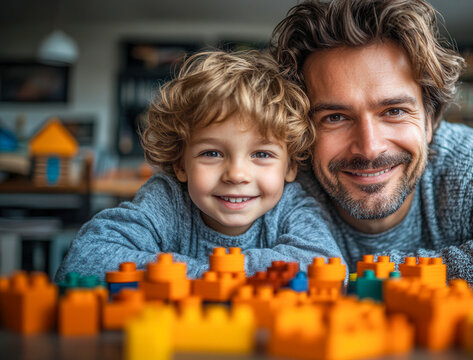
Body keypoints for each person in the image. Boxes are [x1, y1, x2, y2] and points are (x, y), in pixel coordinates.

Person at [271, 0, 473, 290]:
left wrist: (388, 276)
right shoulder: (273, 179)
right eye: (335, 117)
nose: (370, 148)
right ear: (302, 129)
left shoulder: (472, 163)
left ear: (431, 120)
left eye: (394, 111)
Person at [56, 51, 344, 281]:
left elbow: (327, 267)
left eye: (262, 154)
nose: (237, 175)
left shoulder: (291, 205)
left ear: (290, 166)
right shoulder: (169, 200)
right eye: (212, 153)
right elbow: (85, 259)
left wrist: (183, 273)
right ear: (181, 163)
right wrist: (212, 274)